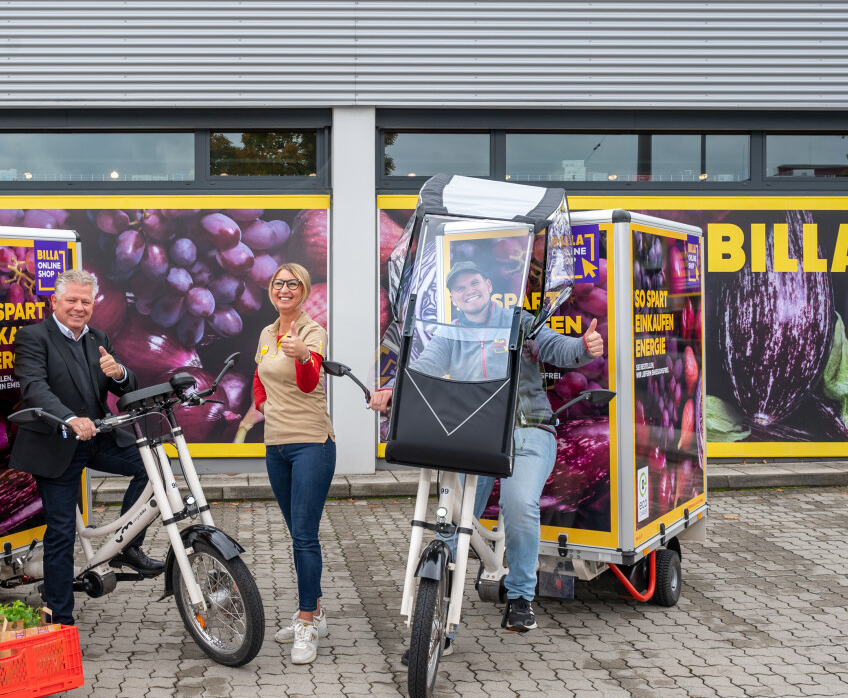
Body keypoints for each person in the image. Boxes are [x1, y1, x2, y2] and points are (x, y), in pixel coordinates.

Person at [369, 261, 603, 636]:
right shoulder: (450, 335)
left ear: (488, 283)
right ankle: (438, 609)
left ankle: (520, 597)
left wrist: (583, 348)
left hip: (528, 432)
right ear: (453, 298)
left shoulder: (520, 323)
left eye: (473, 281)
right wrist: (392, 390)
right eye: (459, 288)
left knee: (519, 504)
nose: (468, 291)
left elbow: (559, 348)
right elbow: (423, 369)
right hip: (473, 434)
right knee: (452, 521)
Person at [10, 268, 162, 627]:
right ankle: (60, 617)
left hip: (96, 439)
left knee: (151, 464)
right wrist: (67, 418)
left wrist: (119, 373)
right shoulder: (33, 337)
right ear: (54, 302)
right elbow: (34, 388)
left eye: (86, 301)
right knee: (61, 532)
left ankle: (127, 547)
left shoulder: (98, 337)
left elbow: (128, 388)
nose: (79, 308)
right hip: (57, 444)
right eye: (72, 300)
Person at [244, 263, 336, 664]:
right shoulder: (267, 332)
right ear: (271, 289)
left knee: (304, 536)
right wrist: (264, 403)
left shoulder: (313, 332)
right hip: (276, 446)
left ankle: (306, 619)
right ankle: (316, 610)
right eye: (279, 283)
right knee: (296, 532)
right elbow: (259, 376)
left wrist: (301, 357)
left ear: (304, 290)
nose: (284, 289)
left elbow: (309, 383)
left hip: (311, 444)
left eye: (292, 284)